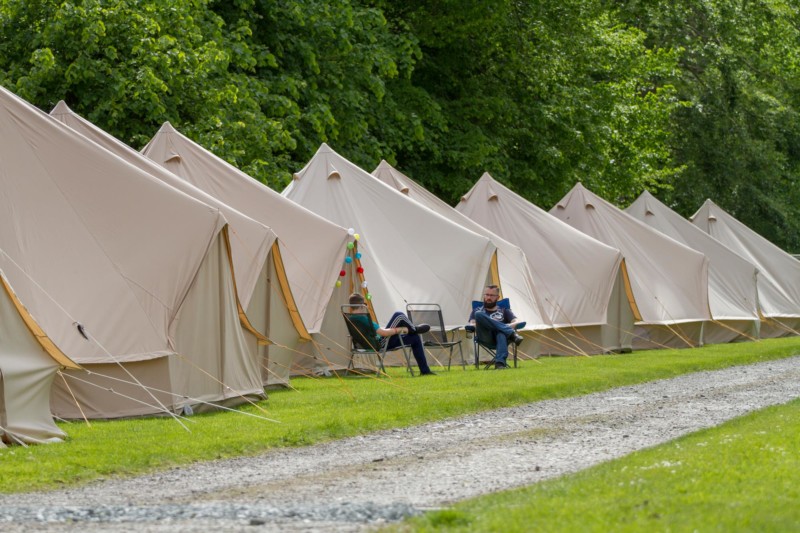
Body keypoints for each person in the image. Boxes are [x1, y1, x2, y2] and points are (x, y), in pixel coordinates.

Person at [347, 293, 436, 375]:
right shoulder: (363, 318)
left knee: (415, 338)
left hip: (368, 345)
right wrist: (400, 329)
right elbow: (384, 333)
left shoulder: (351, 318)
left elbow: (378, 331)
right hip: (380, 344)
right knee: (399, 315)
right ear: (362, 305)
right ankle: (414, 329)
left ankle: (425, 371)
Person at [468, 285, 523, 369]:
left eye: (492, 295)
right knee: (478, 314)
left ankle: (500, 364)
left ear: (498, 297)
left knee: (500, 332)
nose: (488, 297)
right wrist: (492, 325)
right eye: (487, 295)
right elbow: (472, 324)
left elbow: (516, 321)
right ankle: (512, 334)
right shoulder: (477, 310)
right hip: (485, 337)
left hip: (502, 338)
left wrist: (501, 327)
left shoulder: (504, 310)